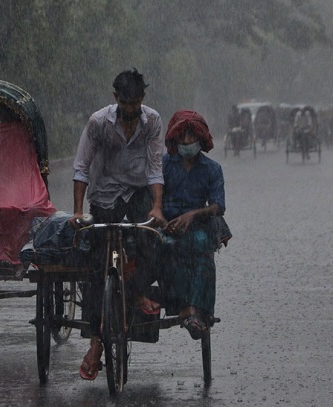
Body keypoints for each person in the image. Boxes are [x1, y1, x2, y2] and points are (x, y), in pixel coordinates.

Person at [69, 68, 166, 380]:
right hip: (105, 198)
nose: (130, 109)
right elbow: (82, 166)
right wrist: (77, 210)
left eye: (135, 102)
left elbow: (154, 168)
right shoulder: (99, 123)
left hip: (138, 195)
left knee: (150, 246)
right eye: (125, 103)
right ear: (116, 99)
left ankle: (136, 292)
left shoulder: (152, 122)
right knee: (97, 268)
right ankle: (96, 342)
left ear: (142, 99)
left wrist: (157, 206)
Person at [160, 110, 225, 340]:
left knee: (201, 246)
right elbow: (152, 197)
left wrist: (192, 215)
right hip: (166, 224)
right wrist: (164, 222)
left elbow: (218, 206)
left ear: (201, 139)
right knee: (167, 246)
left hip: (199, 226)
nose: (187, 142)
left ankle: (200, 310)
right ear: (175, 139)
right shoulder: (163, 165)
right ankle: (182, 308)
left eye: (192, 137)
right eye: (183, 137)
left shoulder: (212, 169)